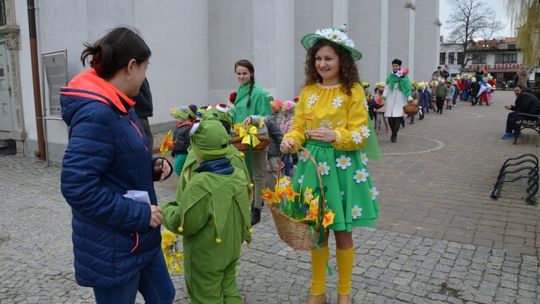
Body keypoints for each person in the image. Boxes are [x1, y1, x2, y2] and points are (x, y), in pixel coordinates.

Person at [59, 27, 175, 304]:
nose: (146, 78)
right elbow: (77, 187)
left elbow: (118, 156)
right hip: (113, 246)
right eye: (146, 68)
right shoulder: (97, 113)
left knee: (164, 296)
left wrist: (151, 166)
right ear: (131, 67)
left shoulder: (120, 105)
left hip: (140, 239)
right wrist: (138, 214)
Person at [280, 26, 380, 304]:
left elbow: (361, 134)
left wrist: (336, 135)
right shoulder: (309, 90)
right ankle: (318, 290)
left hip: (343, 167)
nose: (322, 64)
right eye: (318, 59)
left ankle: (344, 292)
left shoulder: (353, 92)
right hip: (312, 167)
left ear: (342, 61)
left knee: (342, 232)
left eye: (329, 58)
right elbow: (299, 127)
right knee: (317, 231)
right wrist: (290, 139)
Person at [162, 117, 252, 304]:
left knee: (207, 297)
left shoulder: (201, 184)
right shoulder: (238, 174)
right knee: (229, 290)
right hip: (232, 249)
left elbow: (185, 224)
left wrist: (166, 210)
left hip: (207, 257)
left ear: (197, 150)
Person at [232, 59, 272, 225]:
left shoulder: (259, 93)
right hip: (241, 140)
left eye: (245, 73)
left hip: (257, 140)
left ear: (251, 74)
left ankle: (256, 209)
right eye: (239, 73)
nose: (241, 76)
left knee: (258, 173)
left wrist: (253, 118)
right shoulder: (239, 91)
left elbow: (268, 117)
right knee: (244, 173)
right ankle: (250, 202)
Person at [383, 58, 413, 143]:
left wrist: (409, 97)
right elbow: (387, 87)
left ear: (399, 66)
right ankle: (393, 131)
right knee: (390, 117)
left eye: (396, 66)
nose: (395, 67)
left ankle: (394, 134)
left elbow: (407, 87)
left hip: (400, 99)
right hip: (390, 98)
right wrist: (383, 97)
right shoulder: (390, 77)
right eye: (393, 66)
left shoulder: (404, 76)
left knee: (398, 117)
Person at [170, 105, 196, 175]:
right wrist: (173, 150)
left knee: (177, 168)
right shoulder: (178, 126)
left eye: (178, 117)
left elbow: (190, 142)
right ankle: (185, 181)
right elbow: (175, 139)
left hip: (183, 152)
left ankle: (184, 182)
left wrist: (189, 152)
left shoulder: (187, 128)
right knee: (181, 168)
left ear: (184, 117)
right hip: (177, 152)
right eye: (175, 117)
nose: (176, 119)